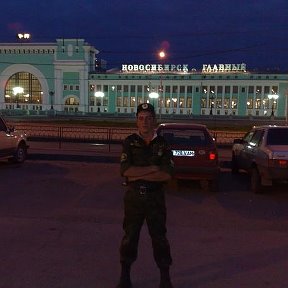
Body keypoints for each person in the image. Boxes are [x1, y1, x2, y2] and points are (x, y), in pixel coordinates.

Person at [117, 103, 174, 288]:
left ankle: (165, 279)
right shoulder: (129, 142)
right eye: (141, 118)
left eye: (148, 118)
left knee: (159, 237)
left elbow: (167, 174)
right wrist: (151, 169)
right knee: (130, 237)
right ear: (136, 121)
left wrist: (137, 173)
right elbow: (125, 171)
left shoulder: (162, 144)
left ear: (154, 120)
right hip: (134, 198)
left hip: (155, 198)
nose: (145, 122)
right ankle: (125, 278)